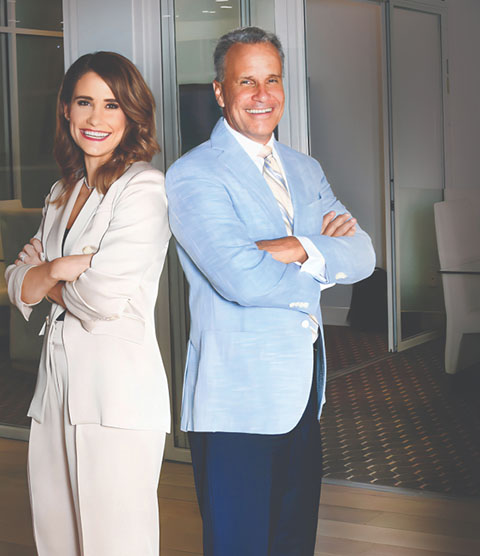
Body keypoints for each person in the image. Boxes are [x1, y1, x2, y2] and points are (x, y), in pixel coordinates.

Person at [165, 27, 376, 555]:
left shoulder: (305, 169)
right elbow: (242, 278)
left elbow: (364, 255)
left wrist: (293, 245)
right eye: (247, 81)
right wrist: (321, 251)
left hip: (302, 391)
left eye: (273, 79)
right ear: (220, 91)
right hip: (236, 400)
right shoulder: (193, 174)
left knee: (293, 544)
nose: (263, 95)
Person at [5, 51, 171, 556]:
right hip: (55, 391)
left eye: (112, 105)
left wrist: (45, 275)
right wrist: (62, 267)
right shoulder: (62, 190)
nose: (96, 118)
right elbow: (17, 284)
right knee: (56, 540)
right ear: (66, 109)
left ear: (132, 114)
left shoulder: (144, 188)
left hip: (115, 393)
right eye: (85, 102)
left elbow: (99, 298)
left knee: (116, 544)